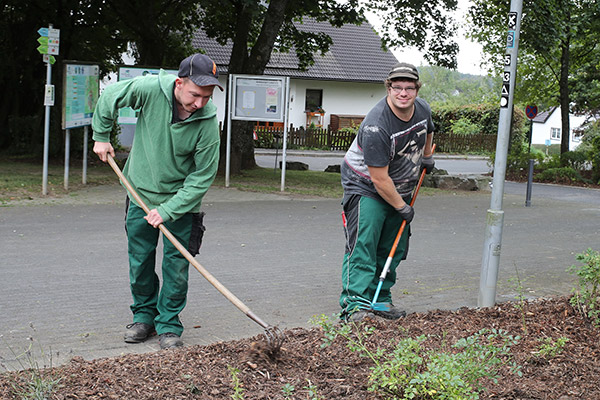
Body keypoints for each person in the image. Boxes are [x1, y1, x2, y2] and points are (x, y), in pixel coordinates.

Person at [92, 53, 223, 349]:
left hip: (180, 205)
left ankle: (168, 325)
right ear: (179, 84)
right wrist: (101, 135)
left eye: (207, 96)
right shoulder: (151, 89)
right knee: (140, 261)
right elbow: (111, 94)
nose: (200, 102)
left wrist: (168, 210)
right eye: (195, 94)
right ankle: (143, 318)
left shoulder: (208, 120)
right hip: (139, 192)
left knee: (176, 266)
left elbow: (202, 177)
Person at [339, 62, 435, 322]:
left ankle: (379, 300)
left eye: (409, 88)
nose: (403, 93)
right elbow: (379, 179)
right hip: (366, 186)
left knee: (394, 243)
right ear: (389, 89)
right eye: (397, 88)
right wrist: (401, 207)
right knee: (364, 243)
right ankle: (355, 306)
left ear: (416, 89)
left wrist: (426, 156)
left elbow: (429, 130)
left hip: (401, 184)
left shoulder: (423, 108)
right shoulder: (376, 126)